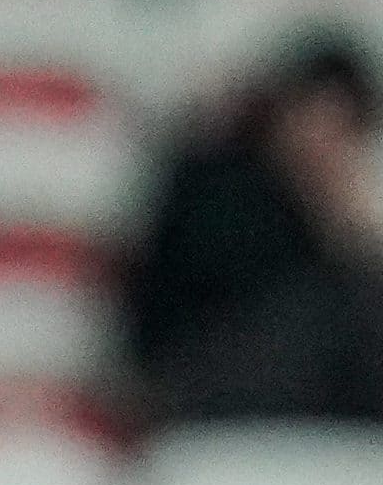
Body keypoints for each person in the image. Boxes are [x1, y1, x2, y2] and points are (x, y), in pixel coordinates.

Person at [123, 32, 383, 426]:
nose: (324, 141)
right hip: (196, 379)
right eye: (318, 118)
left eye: (343, 128)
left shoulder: (316, 201)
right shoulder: (220, 184)